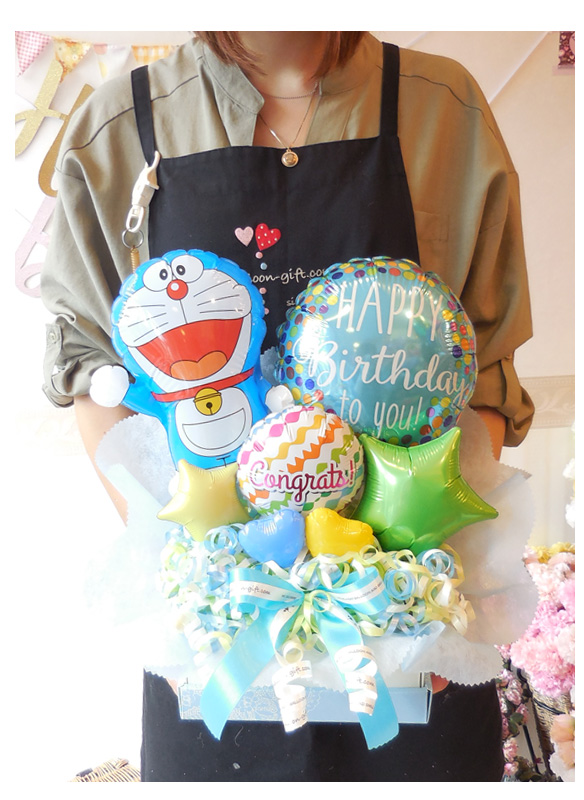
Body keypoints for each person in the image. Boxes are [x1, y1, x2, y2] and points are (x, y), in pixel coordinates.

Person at [41, 31, 534, 781]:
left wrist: (427, 596)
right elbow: (91, 372)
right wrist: (195, 584)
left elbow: (483, 368)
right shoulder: (119, 126)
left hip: (408, 636)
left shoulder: (443, 109)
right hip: (218, 644)